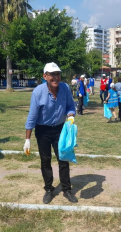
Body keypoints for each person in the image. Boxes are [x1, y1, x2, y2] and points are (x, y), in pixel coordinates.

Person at [24, 62, 77, 204]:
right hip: (43, 131)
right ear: (45, 76)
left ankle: (67, 189)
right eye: (52, 74)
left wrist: (71, 115)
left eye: (58, 74)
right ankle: (49, 189)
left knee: (63, 159)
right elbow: (32, 116)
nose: (56, 77)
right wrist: (27, 139)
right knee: (45, 160)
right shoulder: (38, 92)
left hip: (60, 129)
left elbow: (71, 106)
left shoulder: (65, 88)